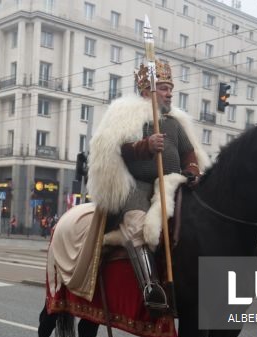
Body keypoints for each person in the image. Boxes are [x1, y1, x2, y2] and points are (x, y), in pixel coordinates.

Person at [86, 59, 209, 313]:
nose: (169, 94)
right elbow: (119, 149)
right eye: (164, 88)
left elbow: (189, 153)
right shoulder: (128, 117)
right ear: (147, 92)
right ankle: (151, 287)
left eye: (170, 89)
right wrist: (146, 146)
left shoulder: (174, 123)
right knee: (138, 227)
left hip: (172, 184)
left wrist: (192, 170)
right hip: (138, 186)